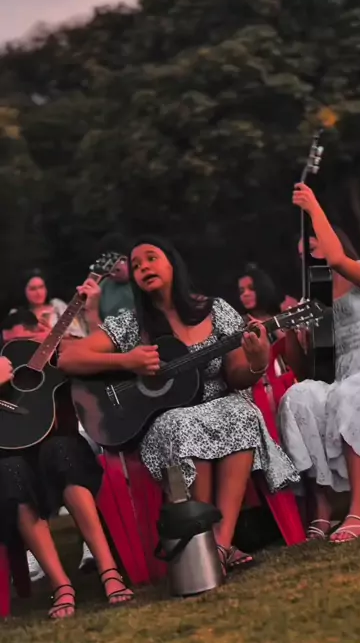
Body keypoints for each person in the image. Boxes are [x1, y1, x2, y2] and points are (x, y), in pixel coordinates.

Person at [59, 236, 299, 571]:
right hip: (164, 418)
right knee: (183, 423)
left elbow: (236, 376)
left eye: (151, 258)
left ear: (172, 264)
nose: (143, 267)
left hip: (221, 405)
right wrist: (127, 361)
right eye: (136, 265)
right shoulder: (131, 322)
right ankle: (200, 538)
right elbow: (68, 357)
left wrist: (258, 362)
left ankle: (220, 544)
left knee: (243, 413)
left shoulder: (215, 310)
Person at [278, 183, 360, 544]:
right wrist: (290, 332)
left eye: (313, 246)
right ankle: (323, 507)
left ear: (333, 239)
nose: (309, 257)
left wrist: (313, 207)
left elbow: (336, 260)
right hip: (339, 379)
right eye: (303, 255)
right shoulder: (315, 299)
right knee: (298, 396)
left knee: (352, 393)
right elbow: (304, 371)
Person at [0, 353, 133, 619]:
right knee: (10, 472)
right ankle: (60, 584)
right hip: (8, 454)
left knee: (63, 451)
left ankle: (108, 570)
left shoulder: (39, 351)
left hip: (57, 444)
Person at [12, 269, 87, 338]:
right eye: (33, 289)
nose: (38, 293)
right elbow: (12, 338)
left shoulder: (57, 305)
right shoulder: (16, 313)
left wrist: (51, 332)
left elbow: (78, 335)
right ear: (23, 292)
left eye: (41, 287)